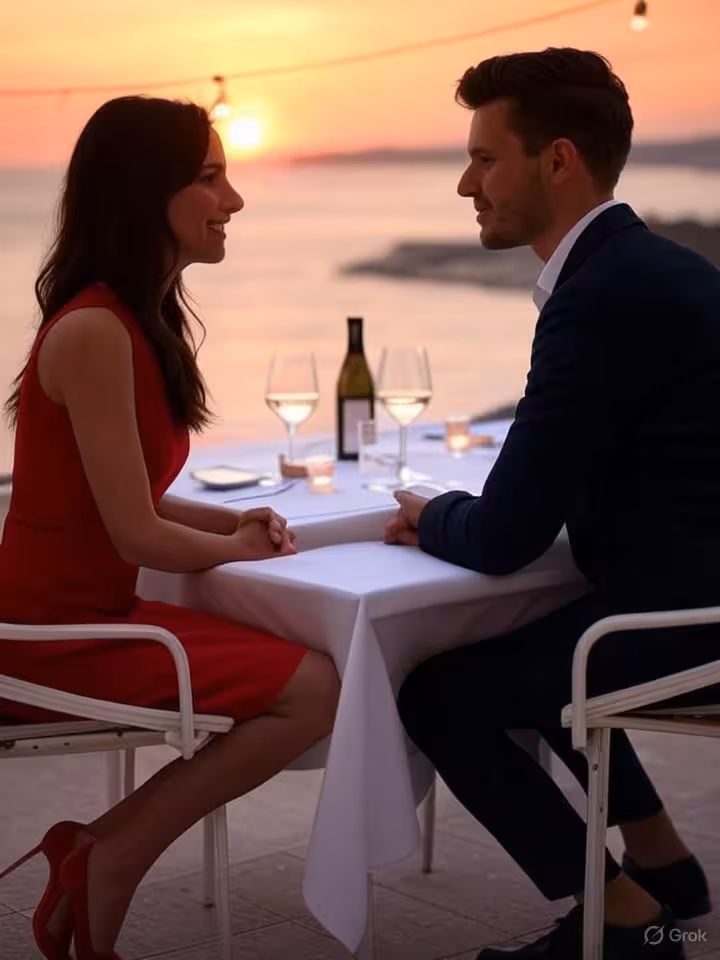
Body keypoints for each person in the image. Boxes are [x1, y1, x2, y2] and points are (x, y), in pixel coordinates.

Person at [386, 48, 720, 959]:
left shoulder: (597, 299)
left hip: (682, 619)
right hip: (692, 587)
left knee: (444, 692)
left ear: (559, 160)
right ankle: (667, 866)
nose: (466, 184)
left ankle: (619, 921)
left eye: (486, 159)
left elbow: (501, 538)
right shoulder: (668, 268)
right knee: (534, 646)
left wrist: (431, 513)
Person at [0, 96, 339, 960]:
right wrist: (228, 548)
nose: (234, 200)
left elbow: (131, 498)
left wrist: (230, 518)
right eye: (210, 178)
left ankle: (97, 849)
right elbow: (136, 536)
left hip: (96, 610)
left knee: (310, 670)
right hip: (51, 633)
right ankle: (113, 854)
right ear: (145, 193)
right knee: (316, 685)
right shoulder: (94, 332)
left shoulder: (135, 321)